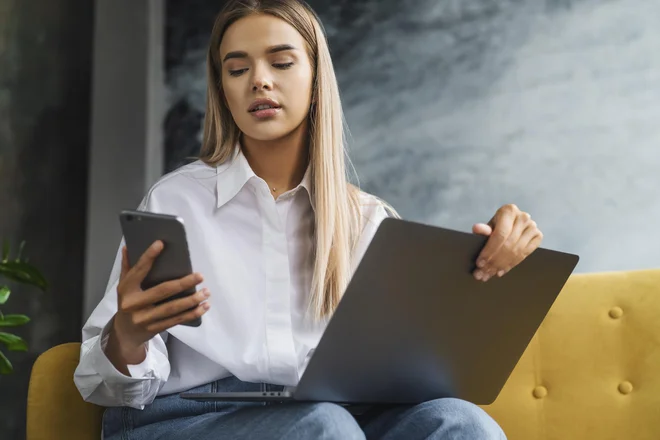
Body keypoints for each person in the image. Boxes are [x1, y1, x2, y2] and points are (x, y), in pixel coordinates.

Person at [74, 1, 543, 439]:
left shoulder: (365, 217)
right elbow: (112, 389)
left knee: (461, 423)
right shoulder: (177, 200)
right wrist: (128, 337)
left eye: (280, 63)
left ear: (317, 79)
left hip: (332, 412)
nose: (259, 81)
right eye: (237, 69)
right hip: (191, 415)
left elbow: (414, 371)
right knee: (325, 426)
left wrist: (486, 266)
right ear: (223, 90)